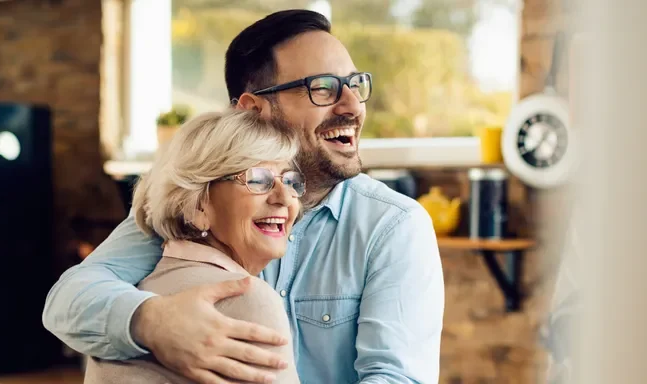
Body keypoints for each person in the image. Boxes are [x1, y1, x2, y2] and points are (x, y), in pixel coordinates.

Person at [43, 9, 445, 384]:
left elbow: (396, 377)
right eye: (322, 88)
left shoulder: (392, 226)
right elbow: (67, 300)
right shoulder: (194, 205)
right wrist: (152, 322)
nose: (353, 106)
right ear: (253, 110)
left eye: (355, 85)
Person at [84, 109, 303, 384]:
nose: (285, 197)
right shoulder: (249, 301)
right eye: (258, 179)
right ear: (198, 204)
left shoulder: (127, 296)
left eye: (291, 181)